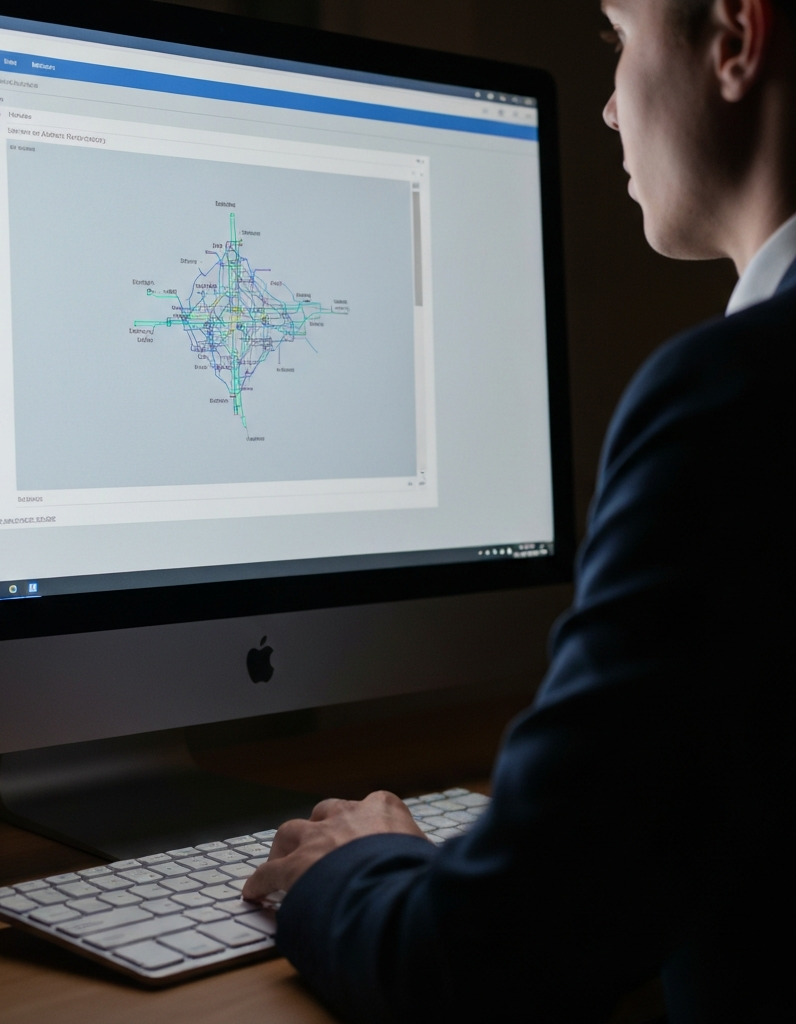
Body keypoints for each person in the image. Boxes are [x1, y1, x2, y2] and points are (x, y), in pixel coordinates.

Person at [242, 0, 796, 1019]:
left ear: (733, 37)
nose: (604, 107)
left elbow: (487, 958)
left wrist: (351, 866)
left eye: (618, 38)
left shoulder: (735, 399)